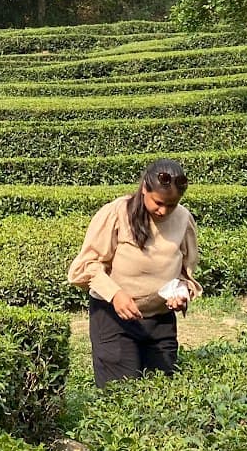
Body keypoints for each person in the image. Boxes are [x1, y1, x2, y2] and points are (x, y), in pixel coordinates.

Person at [66, 158, 202, 387]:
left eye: (172, 205)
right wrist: (115, 294)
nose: (163, 211)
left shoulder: (183, 219)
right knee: (120, 392)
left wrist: (181, 293)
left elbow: (184, 273)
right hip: (113, 319)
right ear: (144, 189)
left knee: (160, 392)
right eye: (158, 202)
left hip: (160, 321)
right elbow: (86, 265)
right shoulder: (117, 213)